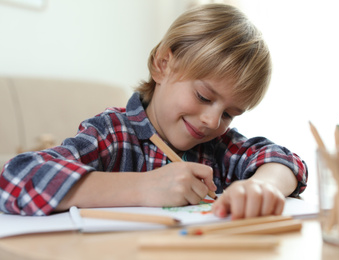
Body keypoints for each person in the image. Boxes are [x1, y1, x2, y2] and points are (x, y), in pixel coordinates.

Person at [0, 4, 307, 219]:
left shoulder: (218, 146)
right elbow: (13, 178)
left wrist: (262, 186)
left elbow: (284, 161)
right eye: (203, 96)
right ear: (163, 65)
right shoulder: (113, 133)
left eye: (229, 114)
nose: (212, 120)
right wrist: (144, 187)